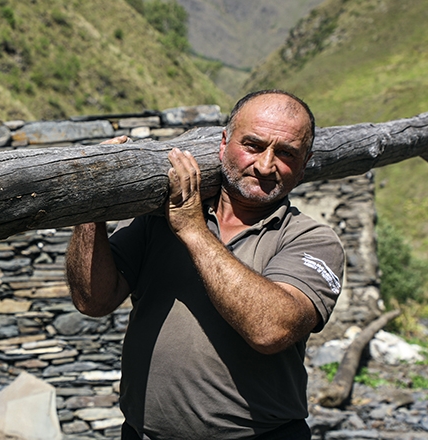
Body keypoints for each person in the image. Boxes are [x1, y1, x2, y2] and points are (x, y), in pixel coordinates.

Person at [65, 90, 344, 440]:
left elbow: (270, 330)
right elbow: (93, 300)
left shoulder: (311, 239)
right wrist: (93, 206)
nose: (265, 165)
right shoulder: (156, 218)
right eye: (253, 145)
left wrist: (193, 229)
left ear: (306, 162)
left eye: (286, 153)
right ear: (224, 142)